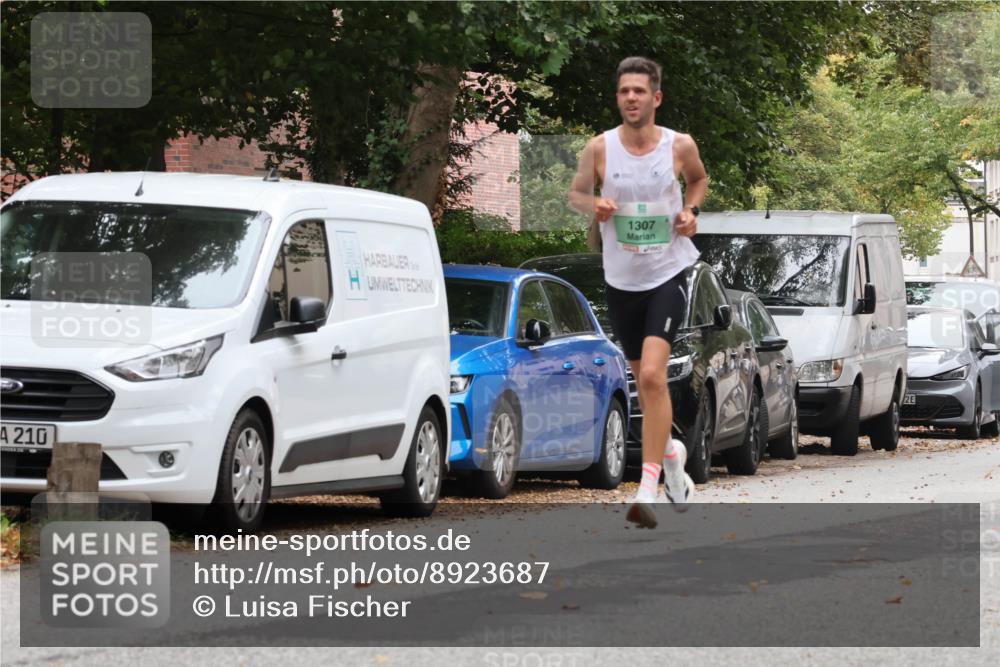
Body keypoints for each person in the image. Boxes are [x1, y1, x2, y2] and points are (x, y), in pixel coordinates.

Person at [568, 56, 708, 528]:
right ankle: (672, 457)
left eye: (639, 91)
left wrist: (690, 211)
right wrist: (596, 204)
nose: (631, 98)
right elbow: (575, 194)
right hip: (622, 279)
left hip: (668, 272)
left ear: (656, 98)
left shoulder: (678, 145)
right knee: (647, 388)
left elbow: (699, 181)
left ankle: (647, 488)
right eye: (624, 91)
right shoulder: (600, 148)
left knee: (651, 376)